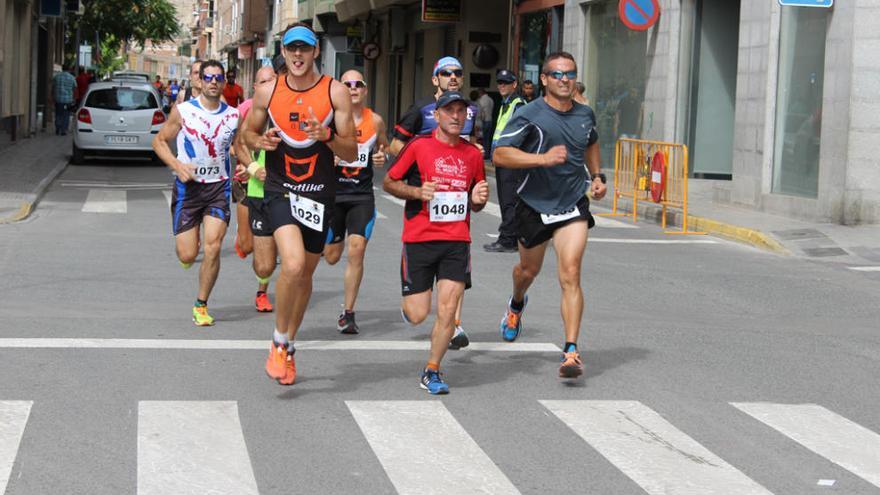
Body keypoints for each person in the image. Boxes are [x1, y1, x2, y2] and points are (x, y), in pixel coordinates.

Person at [241, 23, 357, 386]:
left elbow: (351, 150)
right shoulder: (267, 90)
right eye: (291, 49)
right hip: (279, 189)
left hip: (319, 193)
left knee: (304, 276)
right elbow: (246, 134)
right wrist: (261, 144)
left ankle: (290, 345)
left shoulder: (335, 92)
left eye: (304, 49)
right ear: (284, 52)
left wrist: (327, 136)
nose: (297, 55)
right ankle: (277, 341)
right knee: (290, 265)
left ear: (316, 52)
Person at [492, 52, 607, 379]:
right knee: (528, 271)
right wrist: (541, 160)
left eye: (569, 74)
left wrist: (598, 178)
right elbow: (500, 154)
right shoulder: (529, 114)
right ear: (544, 79)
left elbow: (592, 143)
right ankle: (516, 304)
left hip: (572, 203)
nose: (564, 79)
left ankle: (571, 349)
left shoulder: (585, 114)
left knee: (570, 273)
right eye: (557, 74)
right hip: (533, 204)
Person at [383, 90, 489, 394]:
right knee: (418, 315)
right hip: (419, 239)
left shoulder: (472, 154)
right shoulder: (419, 146)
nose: (456, 116)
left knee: (448, 309)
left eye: (462, 112)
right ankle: (410, 307)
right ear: (438, 115)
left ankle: (432, 369)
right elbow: (390, 180)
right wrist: (418, 193)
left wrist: (479, 200)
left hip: (456, 240)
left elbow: (477, 198)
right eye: (450, 111)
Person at [388, 55, 480, 349]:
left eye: (458, 72)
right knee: (418, 313)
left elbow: (471, 144)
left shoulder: (470, 112)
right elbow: (395, 144)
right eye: (446, 72)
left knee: (451, 289)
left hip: (455, 205)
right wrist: (423, 160)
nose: (453, 76)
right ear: (435, 78)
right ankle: (418, 307)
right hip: (424, 196)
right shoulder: (421, 110)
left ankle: (453, 325)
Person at [151, 60, 240, 326]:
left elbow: (239, 146)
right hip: (188, 189)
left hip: (218, 187)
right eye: (208, 77)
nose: (213, 82)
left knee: (213, 247)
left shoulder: (234, 116)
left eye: (218, 78)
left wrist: (247, 165)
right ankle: (189, 250)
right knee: (188, 255)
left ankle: (201, 304)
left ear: (224, 82)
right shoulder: (183, 111)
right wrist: (177, 166)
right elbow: (158, 141)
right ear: (199, 81)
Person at [323, 70, 389, 334]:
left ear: (365, 90)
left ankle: (348, 313)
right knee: (331, 256)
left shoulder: (376, 120)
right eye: (347, 84)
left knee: (357, 248)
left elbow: (384, 146)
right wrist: (331, 158)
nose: (353, 88)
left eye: (358, 84)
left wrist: (381, 156)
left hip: (361, 195)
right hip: (333, 195)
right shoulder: (331, 120)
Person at [233, 65, 279, 313]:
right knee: (247, 245)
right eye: (262, 82)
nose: (267, 86)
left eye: (271, 80)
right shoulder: (248, 110)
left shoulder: (286, 110)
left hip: (277, 191)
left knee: (268, 257)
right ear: (255, 87)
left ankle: (262, 292)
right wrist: (248, 166)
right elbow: (236, 145)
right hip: (249, 184)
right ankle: (244, 242)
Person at [483, 69, 526, 254]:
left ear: (514, 84)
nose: (501, 85)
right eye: (499, 82)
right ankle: (512, 237)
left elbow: (523, 133)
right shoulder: (505, 104)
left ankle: (508, 240)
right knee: (506, 200)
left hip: (511, 160)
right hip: (503, 160)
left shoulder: (518, 105)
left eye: (506, 82)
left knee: (509, 201)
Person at [51, 64, 77, 136]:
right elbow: (75, 89)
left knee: (58, 113)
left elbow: (53, 87)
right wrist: (74, 99)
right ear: (69, 69)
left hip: (58, 99)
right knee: (66, 115)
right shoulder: (72, 78)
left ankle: (58, 127)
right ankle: (63, 130)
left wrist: (52, 96)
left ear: (62, 68)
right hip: (68, 100)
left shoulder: (56, 77)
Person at [476, 88, 494, 159]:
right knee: (488, 139)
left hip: (484, 121)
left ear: (481, 93)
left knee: (481, 139)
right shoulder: (491, 99)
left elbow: (482, 112)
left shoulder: (481, 100)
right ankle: (488, 154)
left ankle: (483, 154)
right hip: (490, 120)